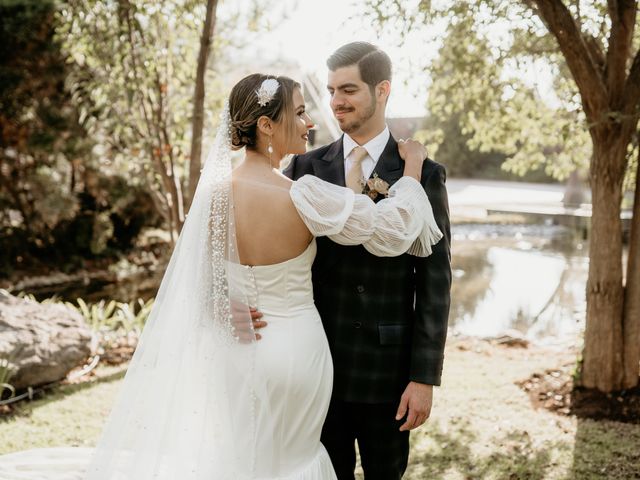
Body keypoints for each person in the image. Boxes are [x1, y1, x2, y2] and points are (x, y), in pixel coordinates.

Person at [0, 73, 442, 480]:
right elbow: (396, 228)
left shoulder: (211, 197)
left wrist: (216, 305)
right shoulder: (303, 195)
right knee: (293, 463)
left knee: (244, 460)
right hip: (294, 352)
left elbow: (192, 279)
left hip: (236, 353)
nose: (310, 121)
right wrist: (413, 168)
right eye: (300, 112)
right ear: (267, 126)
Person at [281, 42, 452, 479]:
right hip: (318, 366)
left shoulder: (423, 172)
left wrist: (424, 378)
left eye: (349, 89)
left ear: (382, 90)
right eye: (332, 89)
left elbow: (435, 281)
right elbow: (275, 254)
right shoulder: (303, 168)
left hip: (389, 374)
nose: (336, 100)